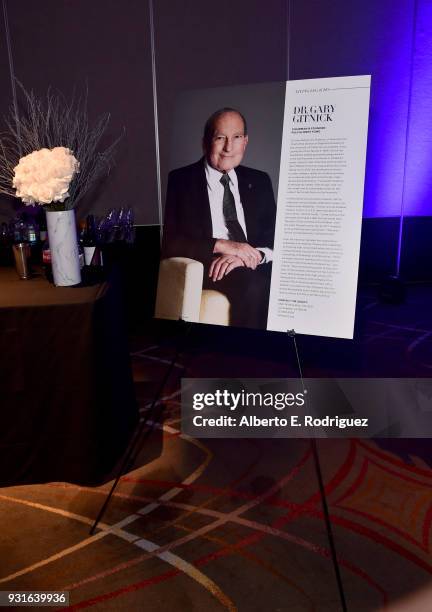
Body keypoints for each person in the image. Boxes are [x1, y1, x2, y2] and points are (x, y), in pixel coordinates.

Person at [161, 107, 276, 329]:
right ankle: (247, 359)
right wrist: (223, 246)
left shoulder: (260, 181)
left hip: (252, 262)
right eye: (220, 137)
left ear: (246, 142)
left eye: (236, 137)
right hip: (212, 268)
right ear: (205, 142)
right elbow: (168, 241)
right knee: (255, 286)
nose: (228, 148)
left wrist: (248, 257)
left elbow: (275, 237)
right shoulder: (179, 181)